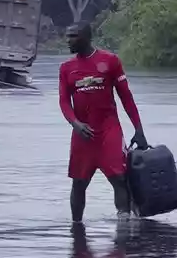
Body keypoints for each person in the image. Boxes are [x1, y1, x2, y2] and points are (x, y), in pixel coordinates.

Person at [59, 22, 147, 222]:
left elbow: (126, 97)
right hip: (83, 134)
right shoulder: (66, 68)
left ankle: (123, 226)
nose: (68, 40)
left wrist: (139, 129)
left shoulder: (110, 61)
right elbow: (64, 101)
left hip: (109, 130)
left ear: (86, 38)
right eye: (67, 36)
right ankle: (76, 229)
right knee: (79, 184)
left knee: (119, 179)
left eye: (73, 36)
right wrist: (75, 123)